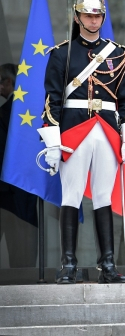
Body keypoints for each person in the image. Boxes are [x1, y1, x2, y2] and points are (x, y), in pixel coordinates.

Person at [40, 0, 125, 284]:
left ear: (102, 17)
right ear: (77, 16)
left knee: (103, 196)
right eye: (87, 14)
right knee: (71, 194)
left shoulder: (118, 53)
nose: (92, 20)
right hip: (73, 130)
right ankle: (68, 264)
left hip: (107, 131)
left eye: (97, 15)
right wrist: (52, 143)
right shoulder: (61, 54)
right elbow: (51, 101)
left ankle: (107, 265)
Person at [0, 63, 38, 267]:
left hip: (11, 189)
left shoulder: (8, 111)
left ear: (8, 82)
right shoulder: (30, 107)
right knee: (24, 242)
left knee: (20, 241)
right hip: (26, 186)